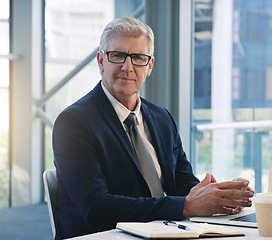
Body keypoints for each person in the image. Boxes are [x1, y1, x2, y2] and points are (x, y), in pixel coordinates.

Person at [52, 17, 254, 240]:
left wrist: (217, 196)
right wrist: (186, 206)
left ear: (149, 66)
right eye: (118, 55)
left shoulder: (161, 117)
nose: (127, 67)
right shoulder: (73, 123)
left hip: (168, 232)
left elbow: (183, 186)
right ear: (101, 61)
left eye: (138, 58)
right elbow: (96, 208)